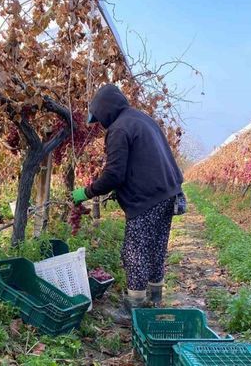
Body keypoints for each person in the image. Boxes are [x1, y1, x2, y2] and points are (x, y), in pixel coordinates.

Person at [72, 84, 184, 324]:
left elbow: (114, 174)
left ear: (105, 111)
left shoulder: (119, 129)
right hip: (167, 193)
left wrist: (86, 192)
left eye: (99, 119)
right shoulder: (142, 119)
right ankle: (154, 299)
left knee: (134, 253)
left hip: (147, 199)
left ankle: (133, 309)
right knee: (155, 249)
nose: (100, 125)